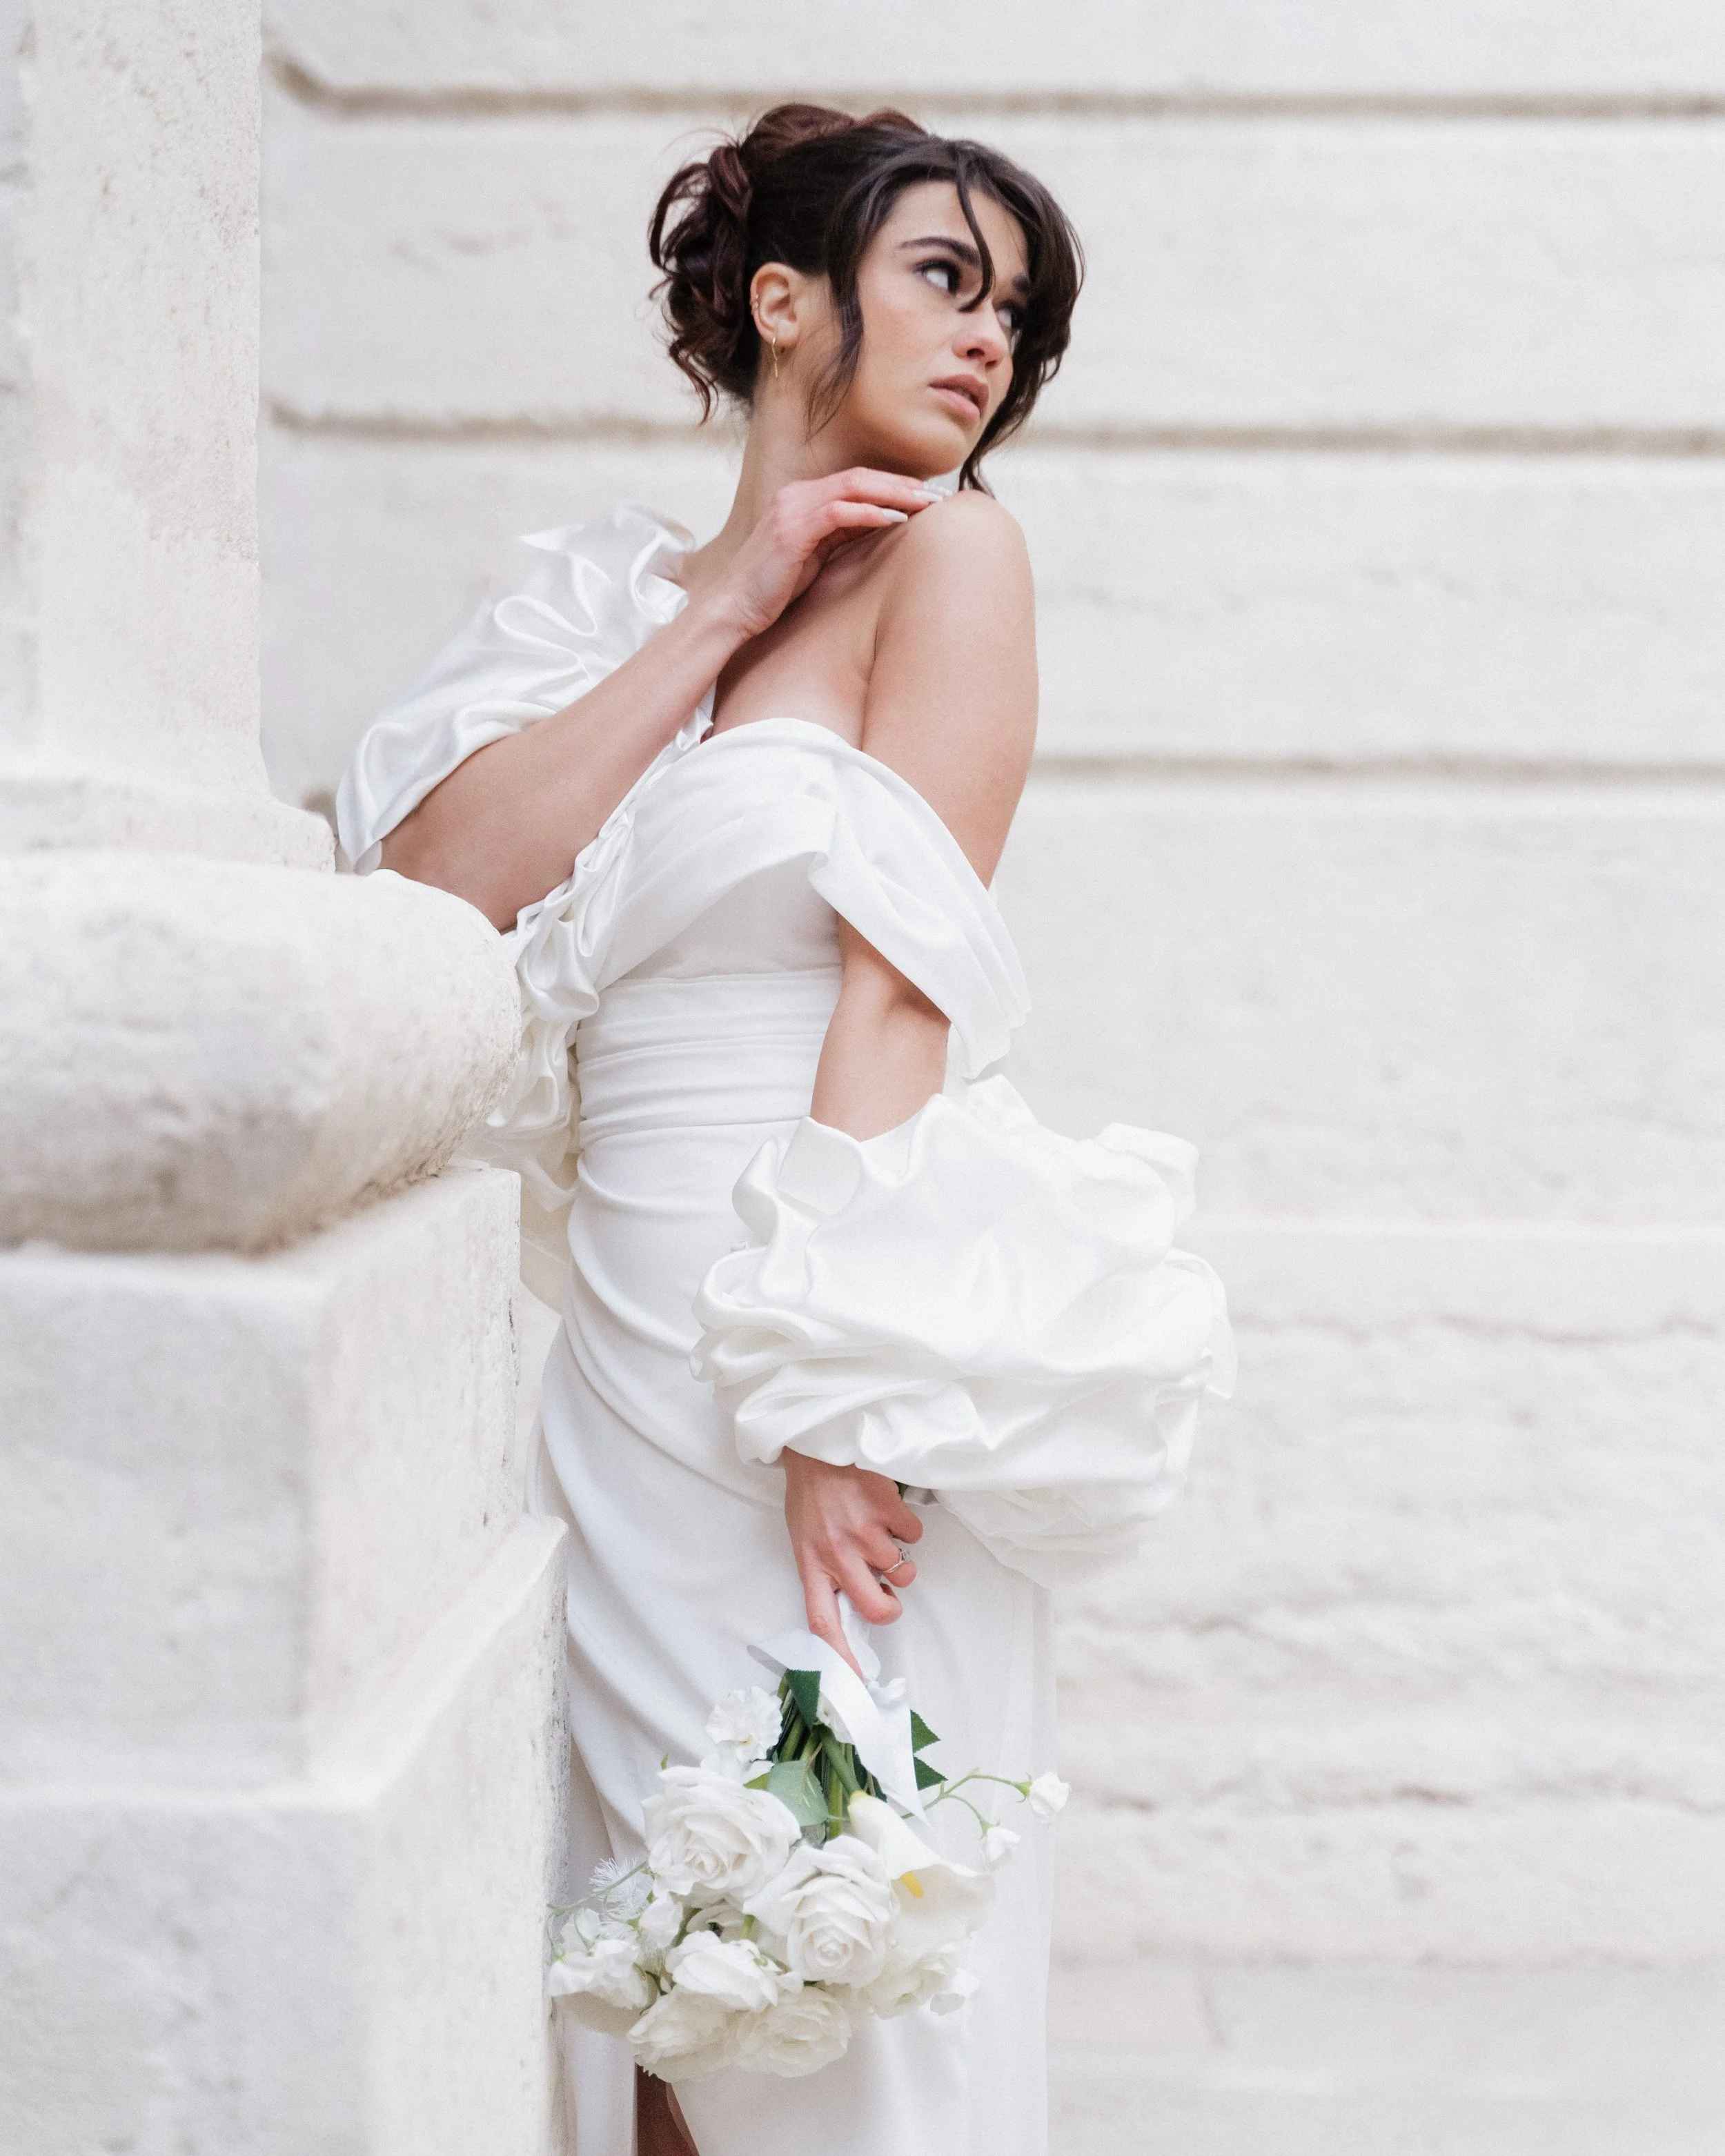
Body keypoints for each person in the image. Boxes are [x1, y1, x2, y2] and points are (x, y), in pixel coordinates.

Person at [335, 103, 1232, 2156]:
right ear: (779, 302)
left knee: (828, 1953)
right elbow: (439, 886)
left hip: (821, 1319)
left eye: (1015, 311)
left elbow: (903, 975)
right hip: (618, 1357)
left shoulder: (961, 559)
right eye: (944, 278)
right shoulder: (599, 601)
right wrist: (719, 607)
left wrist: (835, 1391)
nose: (988, 337)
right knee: (640, 1946)